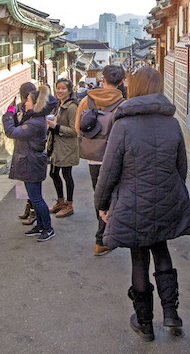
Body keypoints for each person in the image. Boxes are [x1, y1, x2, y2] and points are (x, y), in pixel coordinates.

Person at [94, 67, 190, 342]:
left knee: (139, 257)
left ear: (134, 88)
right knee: (161, 249)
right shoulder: (172, 123)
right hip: (165, 198)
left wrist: (101, 204)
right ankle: (171, 313)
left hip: (133, 202)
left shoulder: (124, 124)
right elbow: (181, 167)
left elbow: (109, 171)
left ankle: (145, 323)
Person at [75, 64, 126, 257]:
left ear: (102, 79)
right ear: (121, 82)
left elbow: (78, 128)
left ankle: (102, 238)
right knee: (113, 197)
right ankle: (103, 238)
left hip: (93, 158)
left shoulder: (87, 100)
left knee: (100, 196)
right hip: (114, 159)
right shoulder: (123, 104)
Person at [3, 84, 58, 242]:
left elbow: (12, 132)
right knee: (34, 198)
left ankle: (48, 228)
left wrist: (8, 114)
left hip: (32, 163)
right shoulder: (33, 117)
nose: (24, 103)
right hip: (30, 162)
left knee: (37, 198)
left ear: (35, 104)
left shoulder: (35, 122)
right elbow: (17, 126)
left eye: (27, 101)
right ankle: (40, 225)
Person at [46, 78, 80, 217]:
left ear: (70, 90)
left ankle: (69, 205)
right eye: (58, 88)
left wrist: (56, 127)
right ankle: (60, 202)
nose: (60, 91)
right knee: (53, 173)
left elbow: (74, 130)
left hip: (66, 147)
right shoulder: (58, 105)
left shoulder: (72, 107)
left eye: (63, 88)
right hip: (55, 145)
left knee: (67, 175)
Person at [16, 82, 39, 225]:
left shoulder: (37, 109)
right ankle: (29, 207)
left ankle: (33, 212)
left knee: (31, 185)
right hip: (22, 148)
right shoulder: (20, 106)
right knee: (24, 183)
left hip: (30, 150)